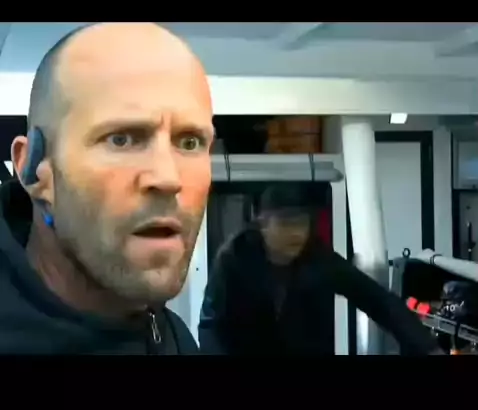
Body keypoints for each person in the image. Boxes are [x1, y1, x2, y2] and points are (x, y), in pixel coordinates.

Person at [0, 22, 215, 354]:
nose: (168, 178)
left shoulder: (172, 335)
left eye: (189, 142)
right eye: (121, 139)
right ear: (34, 170)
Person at [198, 184, 440, 356]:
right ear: (263, 224)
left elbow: (377, 299)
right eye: (285, 223)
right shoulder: (234, 258)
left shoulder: (317, 257)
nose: (296, 233)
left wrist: (427, 346)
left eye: (301, 223)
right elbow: (211, 325)